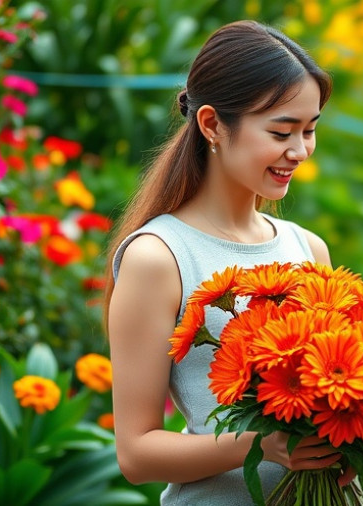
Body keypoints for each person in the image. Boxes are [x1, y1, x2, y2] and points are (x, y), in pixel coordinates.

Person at [104, 20, 346, 505]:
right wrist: (263, 445)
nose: (299, 151)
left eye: (310, 130)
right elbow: (136, 453)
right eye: (282, 131)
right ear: (212, 124)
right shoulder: (158, 257)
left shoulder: (308, 248)